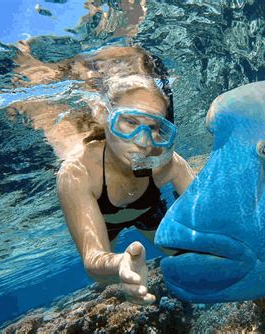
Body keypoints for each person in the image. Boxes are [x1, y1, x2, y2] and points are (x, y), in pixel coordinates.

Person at [56, 46, 195, 304]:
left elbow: (207, 210)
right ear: (102, 114)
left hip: (147, 208)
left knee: (178, 252)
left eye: (154, 127)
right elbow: (94, 259)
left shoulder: (164, 163)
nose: (142, 143)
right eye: (130, 122)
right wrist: (121, 264)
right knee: (103, 274)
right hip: (107, 222)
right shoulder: (80, 172)